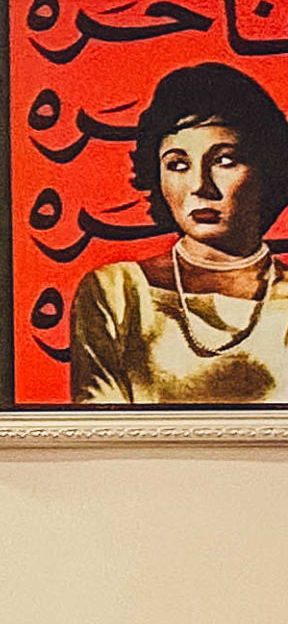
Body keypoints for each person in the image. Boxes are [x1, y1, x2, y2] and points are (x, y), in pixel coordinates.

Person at [69, 62, 288, 405]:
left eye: (225, 160)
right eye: (177, 164)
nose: (200, 186)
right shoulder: (117, 292)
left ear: (268, 170)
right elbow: (101, 439)